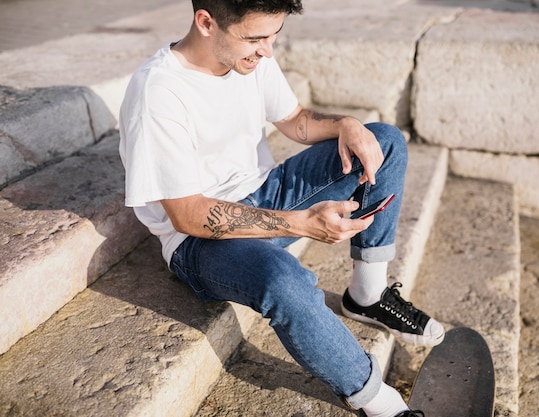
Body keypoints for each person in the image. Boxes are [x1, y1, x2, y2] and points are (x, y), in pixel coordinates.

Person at [118, 1, 444, 416]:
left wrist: (346, 124)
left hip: (267, 191)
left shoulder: (249, 57)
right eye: (255, 39)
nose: (267, 51)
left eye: (273, 37)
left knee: (384, 141)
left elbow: (295, 120)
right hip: (198, 242)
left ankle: (368, 294)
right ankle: (379, 403)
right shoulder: (158, 92)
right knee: (284, 280)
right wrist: (301, 223)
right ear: (206, 22)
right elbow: (188, 213)